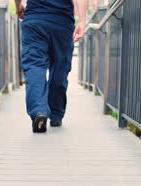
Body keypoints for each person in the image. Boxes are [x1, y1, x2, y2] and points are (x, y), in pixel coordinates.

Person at [14, 0, 87, 133]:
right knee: (60, 67)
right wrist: (82, 21)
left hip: (35, 20)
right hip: (62, 22)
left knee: (34, 65)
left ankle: (39, 110)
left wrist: (18, 6)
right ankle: (56, 114)